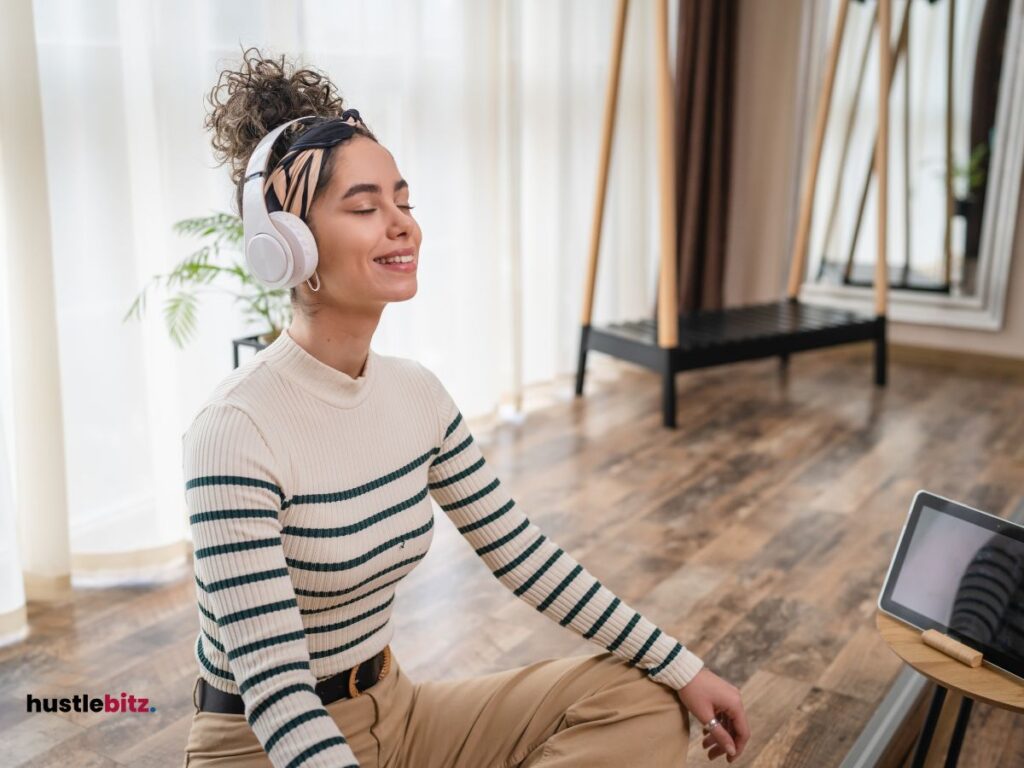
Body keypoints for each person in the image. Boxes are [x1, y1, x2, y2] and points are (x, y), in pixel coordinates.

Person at [181, 47, 749, 768]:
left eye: (404, 202)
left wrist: (684, 666)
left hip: (397, 711)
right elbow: (280, 698)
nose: (402, 225)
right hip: (264, 748)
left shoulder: (417, 394)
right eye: (365, 207)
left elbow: (525, 557)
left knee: (643, 698)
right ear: (287, 247)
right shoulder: (236, 430)